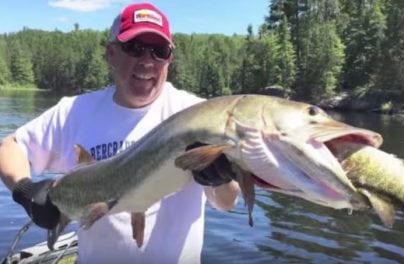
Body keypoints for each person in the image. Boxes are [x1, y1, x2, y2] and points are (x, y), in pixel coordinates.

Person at [0, 2, 240, 263]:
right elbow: (10, 147)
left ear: (169, 58)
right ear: (111, 53)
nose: (147, 61)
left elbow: (226, 203)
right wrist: (26, 191)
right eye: (135, 48)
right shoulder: (75, 111)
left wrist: (221, 179)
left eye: (159, 51)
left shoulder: (197, 115)